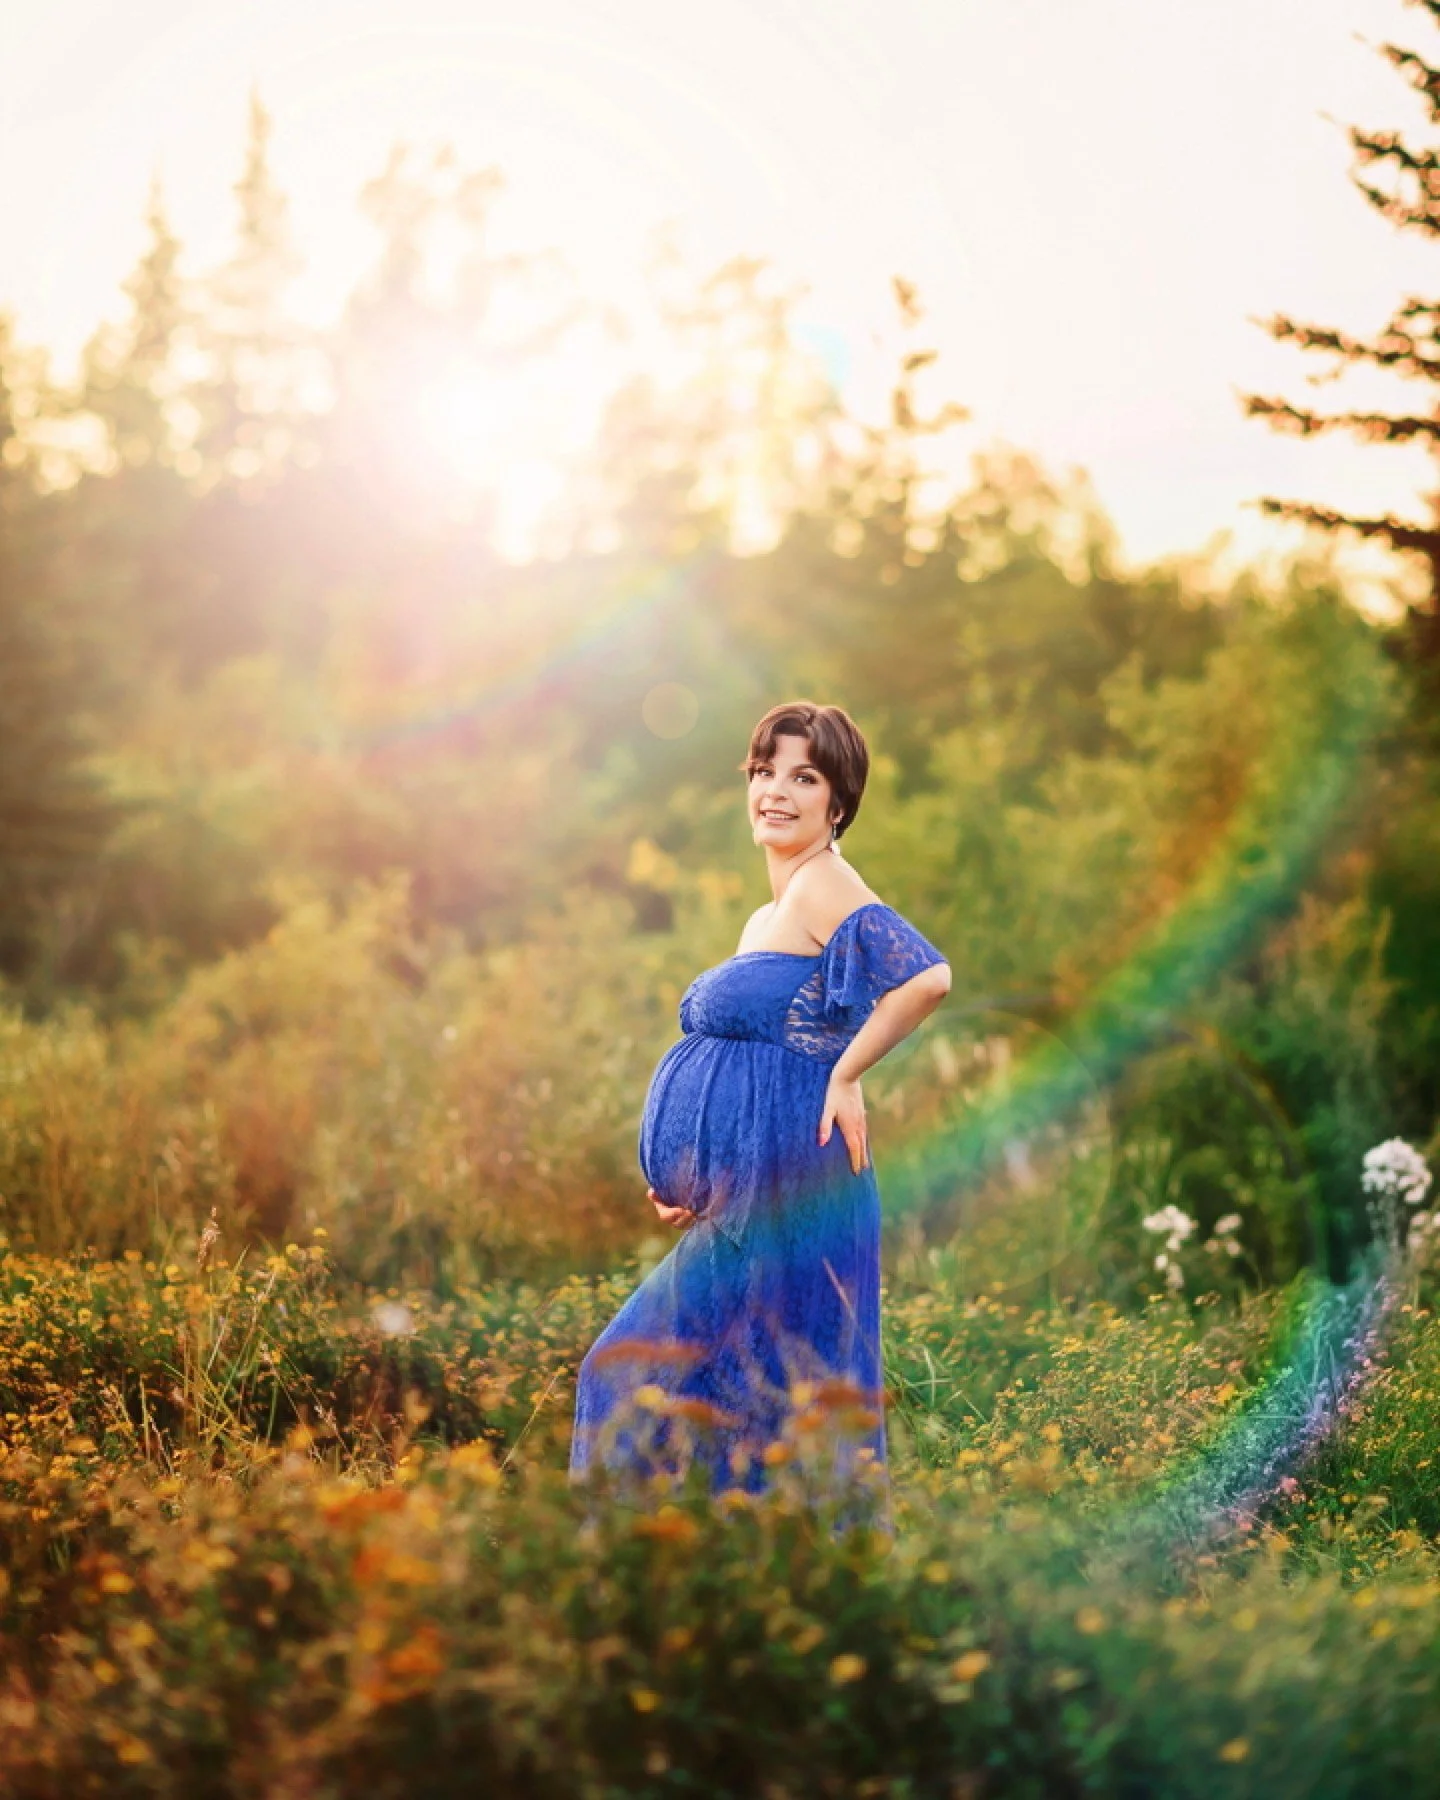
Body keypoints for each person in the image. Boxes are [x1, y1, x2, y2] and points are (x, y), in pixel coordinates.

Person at [569, 700, 951, 1506]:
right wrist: (698, 1181)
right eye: (765, 771)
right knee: (739, 1398)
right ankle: (708, 1597)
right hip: (745, 1196)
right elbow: (785, 1042)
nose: (776, 790)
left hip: (794, 1193)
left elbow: (925, 977)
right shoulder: (767, 916)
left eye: (803, 776)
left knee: (639, 1373)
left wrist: (847, 1076)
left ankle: (643, 1588)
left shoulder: (824, 884)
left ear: (836, 803)